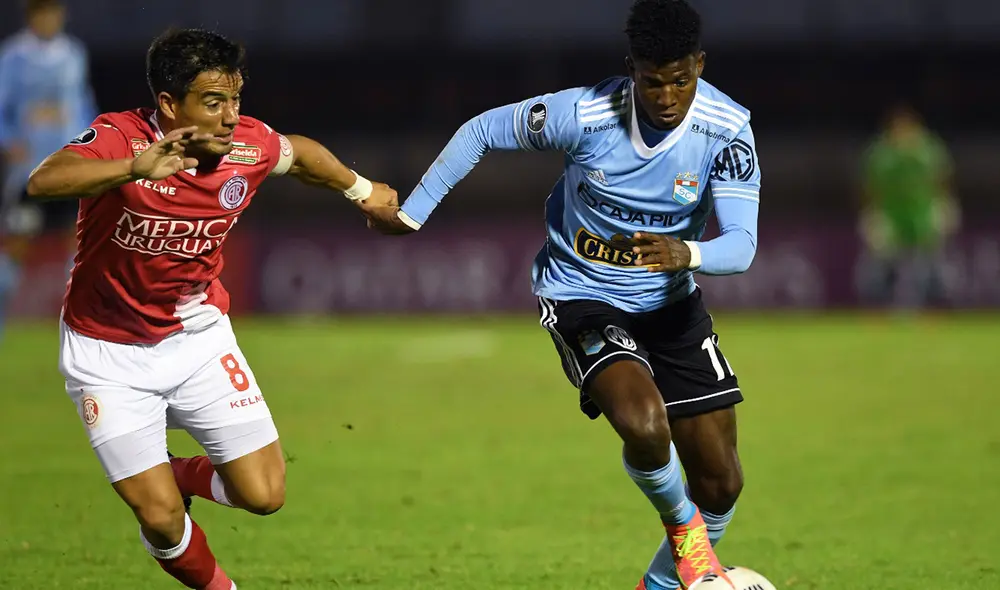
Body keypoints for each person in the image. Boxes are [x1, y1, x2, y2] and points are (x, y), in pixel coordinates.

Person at [367, 1, 758, 588]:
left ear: (700, 66)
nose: (667, 96)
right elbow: (481, 131)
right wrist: (415, 212)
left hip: (671, 300)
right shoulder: (585, 113)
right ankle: (687, 538)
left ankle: (657, 584)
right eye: (653, 81)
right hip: (581, 294)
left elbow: (744, 245)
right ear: (633, 69)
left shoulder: (726, 130)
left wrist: (688, 254)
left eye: (681, 80)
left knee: (722, 483)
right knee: (645, 424)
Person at [27, 28, 397, 590]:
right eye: (213, 102)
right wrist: (132, 170)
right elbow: (44, 180)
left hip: (198, 340)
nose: (229, 117)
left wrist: (361, 190)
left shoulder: (248, 146)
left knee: (264, 494)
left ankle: (169, 473)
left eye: (235, 100)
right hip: (106, 352)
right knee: (160, 519)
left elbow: (300, 155)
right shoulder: (120, 137)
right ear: (170, 104)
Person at [0, 0, 96, 339]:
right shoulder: (13, 57)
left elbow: (83, 103)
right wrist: (10, 140)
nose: (51, 20)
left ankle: (81, 330)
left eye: (55, 13)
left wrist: (89, 144)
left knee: (80, 244)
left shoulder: (73, 54)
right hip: (30, 172)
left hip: (69, 167)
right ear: (32, 17)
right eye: (44, 13)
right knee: (17, 244)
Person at [858, 103, 958, 309]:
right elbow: (868, 186)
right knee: (880, 264)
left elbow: (943, 179)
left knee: (928, 264)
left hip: (922, 214)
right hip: (891, 216)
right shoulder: (882, 154)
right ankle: (876, 307)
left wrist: (944, 205)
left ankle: (934, 307)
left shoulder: (928, 150)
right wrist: (872, 213)